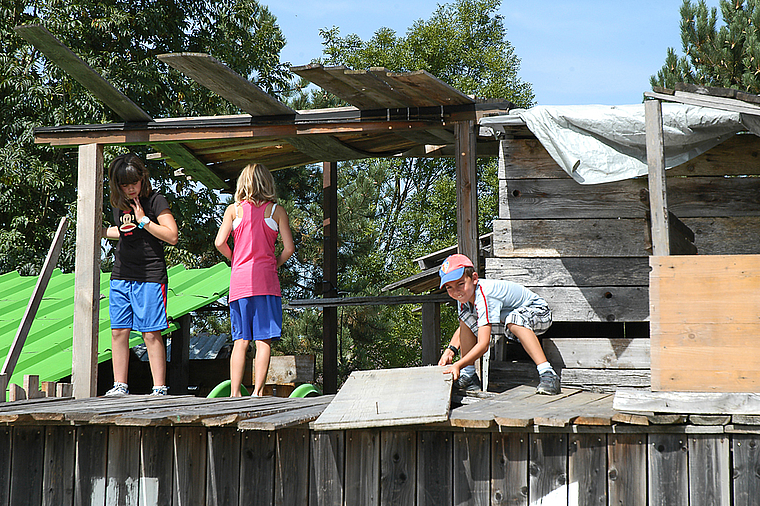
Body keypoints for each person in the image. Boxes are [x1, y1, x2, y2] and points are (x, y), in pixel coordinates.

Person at [215, 163, 295, 397]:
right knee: (263, 340)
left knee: (240, 340)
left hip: (239, 283)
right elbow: (289, 248)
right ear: (267, 183)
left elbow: (220, 243)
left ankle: (234, 393)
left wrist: (235, 259)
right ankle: (257, 392)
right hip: (266, 282)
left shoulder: (234, 210)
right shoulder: (276, 211)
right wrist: (273, 263)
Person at [103, 153, 179, 396]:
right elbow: (126, 232)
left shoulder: (156, 201)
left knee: (150, 332)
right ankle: (120, 385)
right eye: (124, 185)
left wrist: (144, 219)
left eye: (133, 183)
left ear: (142, 178)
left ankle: (159, 388)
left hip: (150, 275)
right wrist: (102, 231)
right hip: (121, 273)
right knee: (118, 330)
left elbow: (172, 236)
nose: (130, 188)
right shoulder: (119, 202)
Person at [437, 253, 561, 395]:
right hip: (507, 320)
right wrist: (451, 349)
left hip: (539, 314)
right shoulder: (463, 297)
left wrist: (458, 364)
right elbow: (464, 325)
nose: (456, 291)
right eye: (449, 288)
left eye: (460, 284)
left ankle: (548, 373)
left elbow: (483, 345)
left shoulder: (485, 294)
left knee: (514, 318)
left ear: (474, 279)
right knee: (466, 316)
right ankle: (469, 376)